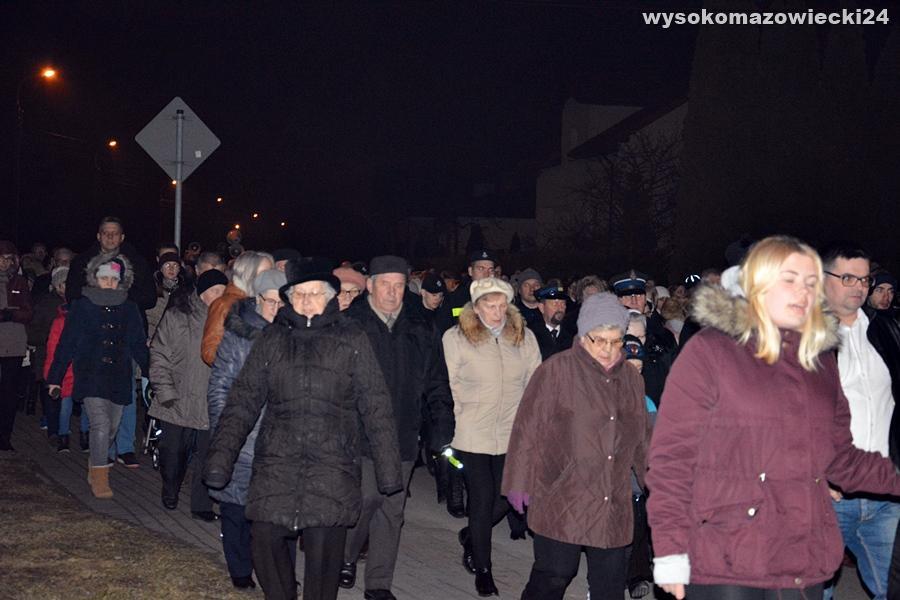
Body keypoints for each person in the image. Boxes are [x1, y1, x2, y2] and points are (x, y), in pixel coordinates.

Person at [646, 235, 900, 600]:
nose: (803, 292)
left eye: (810, 282)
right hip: (727, 553)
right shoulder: (711, 351)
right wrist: (670, 548)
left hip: (801, 553)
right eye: (789, 280)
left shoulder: (820, 360)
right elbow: (672, 458)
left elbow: (840, 457)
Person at [204, 258, 403, 600]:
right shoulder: (273, 339)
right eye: (300, 294)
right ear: (289, 299)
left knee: (323, 557)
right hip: (277, 463)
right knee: (265, 540)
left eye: (315, 294)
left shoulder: (351, 339)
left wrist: (388, 472)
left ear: (329, 298)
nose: (307, 301)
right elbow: (242, 401)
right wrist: (220, 460)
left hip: (332, 466)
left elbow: (377, 406)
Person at [503, 292, 649, 599]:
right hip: (563, 493)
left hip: (611, 498)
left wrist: (659, 483)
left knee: (610, 586)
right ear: (583, 336)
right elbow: (527, 429)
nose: (609, 349)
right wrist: (518, 481)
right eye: (600, 340)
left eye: (616, 341)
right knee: (555, 574)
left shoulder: (631, 379)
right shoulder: (556, 370)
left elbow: (641, 438)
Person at [340, 256, 455, 600]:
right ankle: (345, 556)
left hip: (404, 431)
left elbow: (437, 381)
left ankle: (379, 583)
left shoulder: (420, 328)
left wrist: (442, 427)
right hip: (360, 433)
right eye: (385, 285)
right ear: (370, 286)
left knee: (392, 509)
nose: (392, 293)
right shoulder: (351, 325)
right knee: (365, 499)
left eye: (399, 286)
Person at [442, 276, 541, 596]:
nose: (497, 312)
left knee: (508, 496)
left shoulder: (523, 337)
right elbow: (451, 384)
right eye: (489, 305)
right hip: (473, 431)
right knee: (482, 498)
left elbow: (535, 382)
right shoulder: (456, 338)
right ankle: (484, 569)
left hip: (512, 431)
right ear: (476, 307)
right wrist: (458, 419)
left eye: (501, 306)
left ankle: (472, 534)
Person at [821, 243, 900, 600]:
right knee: (813, 591)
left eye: (864, 279)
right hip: (829, 496)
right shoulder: (803, 339)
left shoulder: (887, 330)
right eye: (848, 278)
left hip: (885, 495)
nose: (859, 287)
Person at [207, 268, 286, 590]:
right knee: (236, 507)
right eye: (270, 302)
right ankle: (239, 567)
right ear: (257, 300)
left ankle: (275, 570)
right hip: (242, 434)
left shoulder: (292, 334)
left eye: (282, 303)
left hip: (279, 438)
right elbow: (220, 385)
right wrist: (224, 432)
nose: (276, 309)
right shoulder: (238, 334)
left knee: (273, 511)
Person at [47, 256, 149, 498]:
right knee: (100, 425)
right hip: (90, 375)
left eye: (114, 279)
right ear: (95, 278)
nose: (109, 283)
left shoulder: (129, 308)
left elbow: (138, 344)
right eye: (104, 278)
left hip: (119, 377)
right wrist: (55, 377)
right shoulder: (82, 306)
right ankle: (101, 479)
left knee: (111, 427)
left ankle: (96, 461)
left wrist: (151, 373)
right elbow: (67, 343)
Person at [149, 270, 226, 516]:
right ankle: (170, 489)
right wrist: (165, 392)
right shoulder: (177, 316)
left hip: (209, 401)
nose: (220, 296)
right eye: (215, 291)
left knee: (207, 455)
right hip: (177, 399)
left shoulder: (228, 321)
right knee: (173, 454)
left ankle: (201, 506)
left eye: (224, 292)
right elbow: (159, 355)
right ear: (202, 292)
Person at [201, 250, 273, 366]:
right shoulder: (225, 305)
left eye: (271, 272)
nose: (269, 278)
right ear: (247, 273)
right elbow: (210, 352)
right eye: (264, 273)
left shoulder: (267, 302)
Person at [0, 241, 33, 451]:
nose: (4, 263)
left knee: (8, 393)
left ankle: (4, 437)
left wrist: (10, 314)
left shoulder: (19, 282)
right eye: (1, 259)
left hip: (13, 344)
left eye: (8, 259)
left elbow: (28, 313)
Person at [526, 284, 576, 360]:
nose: (560, 308)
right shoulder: (530, 334)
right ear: (542, 308)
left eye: (563, 304)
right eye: (555, 304)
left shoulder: (573, 333)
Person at [146, 252, 184, 341]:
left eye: (175, 265)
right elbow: (150, 317)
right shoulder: (152, 288)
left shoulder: (185, 291)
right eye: (167, 265)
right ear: (161, 268)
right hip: (154, 336)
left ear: (179, 269)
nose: (171, 268)